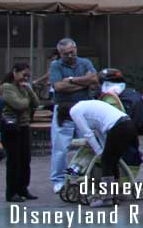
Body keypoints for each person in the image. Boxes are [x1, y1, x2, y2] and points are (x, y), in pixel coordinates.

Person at [61, 98, 139, 208]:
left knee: (106, 162)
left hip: (118, 128)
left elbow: (88, 134)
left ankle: (107, 199)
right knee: (112, 161)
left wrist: (99, 152)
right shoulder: (86, 105)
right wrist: (103, 149)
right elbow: (99, 130)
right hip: (127, 124)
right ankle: (114, 195)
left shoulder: (74, 111)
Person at [49, 38, 97, 193]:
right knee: (61, 148)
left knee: (84, 146)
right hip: (64, 110)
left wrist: (71, 80)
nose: (70, 56)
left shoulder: (85, 62)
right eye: (66, 54)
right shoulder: (56, 65)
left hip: (83, 111)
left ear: (76, 48)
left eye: (72, 51)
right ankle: (59, 180)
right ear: (60, 54)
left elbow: (94, 79)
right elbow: (58, 87)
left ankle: (74, 175)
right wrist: (83, 83)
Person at [2, 62, 39, 202]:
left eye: (28, 76)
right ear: (14, 72)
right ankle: (12, 193)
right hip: (12, 128)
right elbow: (19, 104)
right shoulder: (7, 87)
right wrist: (26, 99)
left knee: (25, 160)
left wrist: (29, 90)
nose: (26, 78)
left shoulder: (24, 87)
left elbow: (35, 103)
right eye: (24, 75)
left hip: (24, 126)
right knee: (14, 161)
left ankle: (23, 189)